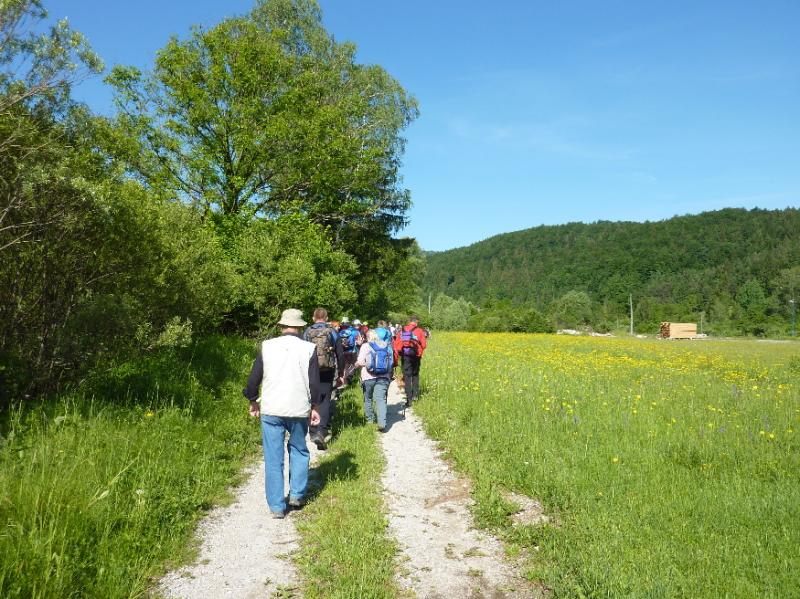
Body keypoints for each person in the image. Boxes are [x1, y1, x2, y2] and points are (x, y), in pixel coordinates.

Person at [243, 308, 321, 519]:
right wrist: (315, 407)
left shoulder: (267, 346)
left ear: (281, 326)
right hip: (298, 408)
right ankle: (296, 495)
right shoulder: (309, 348)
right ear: (300, 327)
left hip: (272, 409)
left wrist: (252, 400)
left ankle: (277, 506)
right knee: (299, 450)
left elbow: (254, 378)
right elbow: (314, 382)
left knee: (273, 457)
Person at [303, 307, 344, 450]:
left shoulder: (307, 332)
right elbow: (340, 354)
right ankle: (321, 431)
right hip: (327, 369)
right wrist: (341, 373)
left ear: (313, 318)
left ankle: (312, 431)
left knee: (312, 399)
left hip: (310, 370)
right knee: (325, 400)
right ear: (326, 318)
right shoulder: (332, 331)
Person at [357, 329, 393, 432]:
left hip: (368, 377)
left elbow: (360, 361)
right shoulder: (387, 346)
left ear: (367, 337)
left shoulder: (365, 346)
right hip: (383, 377)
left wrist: (366, 364)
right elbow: (391, 363)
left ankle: (370, 421)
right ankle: (382, 423)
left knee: (368, 398)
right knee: (381, 400)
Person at [393, 315, 427, 407]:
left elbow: (397, 344)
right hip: (416, 356)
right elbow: (424, 345)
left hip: (405, 356)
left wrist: (400, 352)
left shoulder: (403, 330)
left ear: (410, 321)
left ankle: (409, 399)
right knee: (415, 375)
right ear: (416, 321)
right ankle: (415, 395)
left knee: (407, 376)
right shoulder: (419, 330)